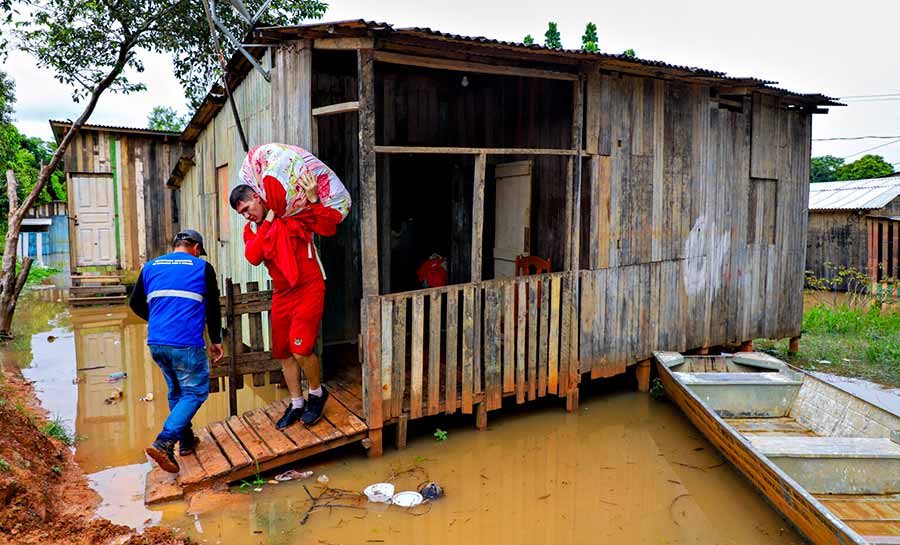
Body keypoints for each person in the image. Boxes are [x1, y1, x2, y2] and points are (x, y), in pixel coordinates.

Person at [230, 143, 349, 430]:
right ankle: (296, 403)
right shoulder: (254, 229)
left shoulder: (295, 212)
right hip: (282, 293)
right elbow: (254, 256)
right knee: (283, 351)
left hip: (309, 285)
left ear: (258, 197)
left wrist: (313, 199)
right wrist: (268, 220)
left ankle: (317, 394)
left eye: (248, 208)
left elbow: (328, 227)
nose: (246, 215)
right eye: (241, 213)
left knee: (300, 347)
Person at [128, 229, 224, 473]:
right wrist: (216, 340)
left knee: (177, 390)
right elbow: (213, 307)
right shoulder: (202, 267)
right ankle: (165, 441)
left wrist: (159, 320)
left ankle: (186, 441)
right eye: (200, 252)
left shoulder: (150, 266)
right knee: (194, 392)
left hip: (157, 341)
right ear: (196, 248)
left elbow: (134, 303)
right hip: (186, 343)